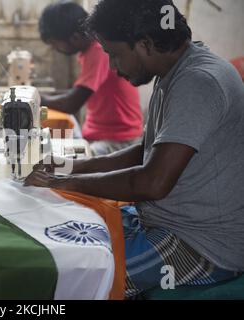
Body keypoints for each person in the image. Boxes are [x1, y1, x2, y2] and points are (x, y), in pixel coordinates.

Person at [26, 0, 244, 298]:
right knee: (64, 235)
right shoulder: (175, 73)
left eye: (114, 55)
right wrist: (69, 166)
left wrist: (64, 183)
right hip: (165, 222)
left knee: (73, 277)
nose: (113, 68)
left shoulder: (199, 81)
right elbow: (145, 151)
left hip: (201, 244)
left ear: (145, 44)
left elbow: (151, 182)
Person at [38, 1, 143, 155]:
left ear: (74, 38)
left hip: (118, 142)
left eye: (55, 44)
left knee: (59, 162)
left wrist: (37, 98)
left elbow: (71, 103)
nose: (54, 49)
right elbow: (73, 95)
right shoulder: (89, 52)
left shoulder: (98, 52)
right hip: (99, 134)